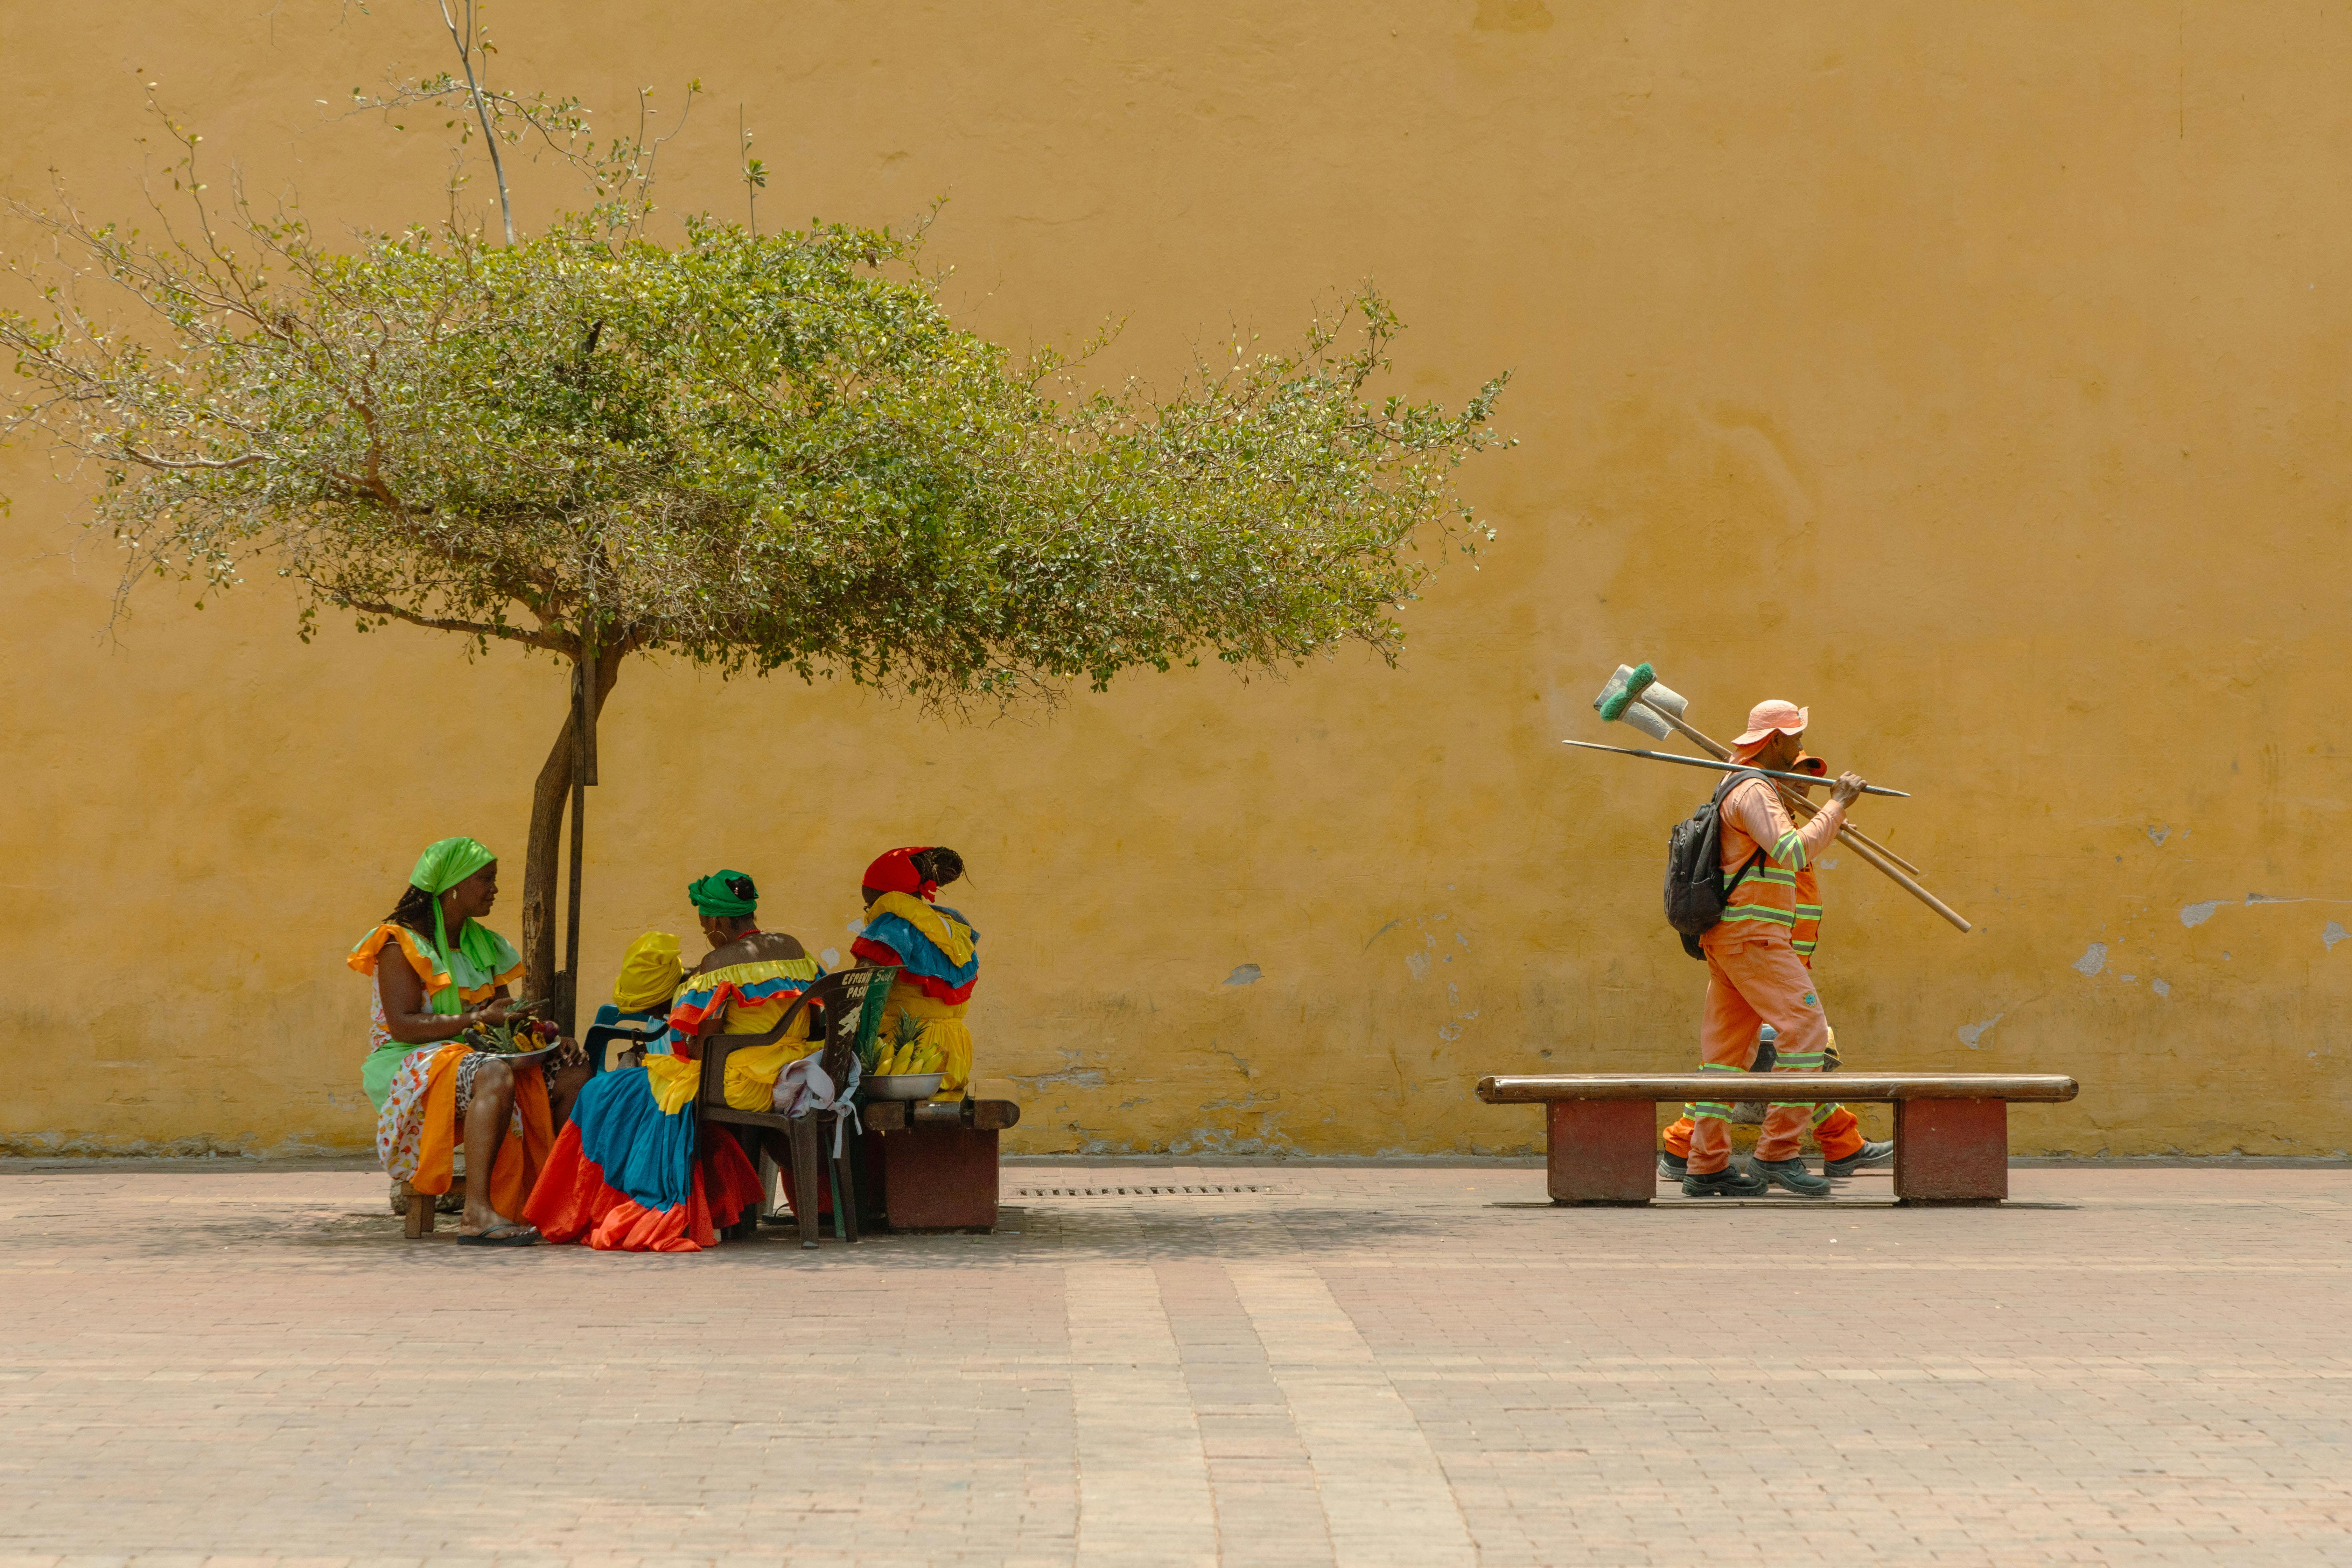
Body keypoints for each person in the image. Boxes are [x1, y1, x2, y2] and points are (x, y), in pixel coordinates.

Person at [525, 870, 825, 1252]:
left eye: (704, 922)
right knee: (634, 1089)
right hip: (793, 1076)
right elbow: (816, 1019)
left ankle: (586, 1206)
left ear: (716, 921)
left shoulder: (720, 962)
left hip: (738, 1085)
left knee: (604, 1090)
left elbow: (703, 1047)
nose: (705, 930)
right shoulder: (794, 948)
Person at [1660, 755, 1893, 1181]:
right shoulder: (1757, 799)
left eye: (1811, 782)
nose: (1803, 788)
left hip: (1743, 948)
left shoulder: (1757, 808)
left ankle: (1702, 1162)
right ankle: (1777, 1154)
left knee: (1725, 1062)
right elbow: (1792, 852)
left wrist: (1829, 822)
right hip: (1758, 948)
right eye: (1797, 775)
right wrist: (1836, 807)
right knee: (1806, 1039)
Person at [346, 837, 588, 1245]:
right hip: (412, 1060)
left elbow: (499, 1017)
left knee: (574, 1073)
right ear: (453, 886)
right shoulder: (398, 943)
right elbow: (404, 1026)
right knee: (493, 1073)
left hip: (472, 1055)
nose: (494, 889)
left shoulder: (483, 943)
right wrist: (478, 1017)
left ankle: (558, 1201)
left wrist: (545, 1035)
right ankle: (476, 1213)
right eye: (486, 880)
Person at [850, 847, 980, 1099]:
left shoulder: (894, 929)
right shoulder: (953, 929)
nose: (869, 913)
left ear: (884, 897)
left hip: (910, 1057)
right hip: (956, 1056)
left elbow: (856, 988)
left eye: (869, 905)